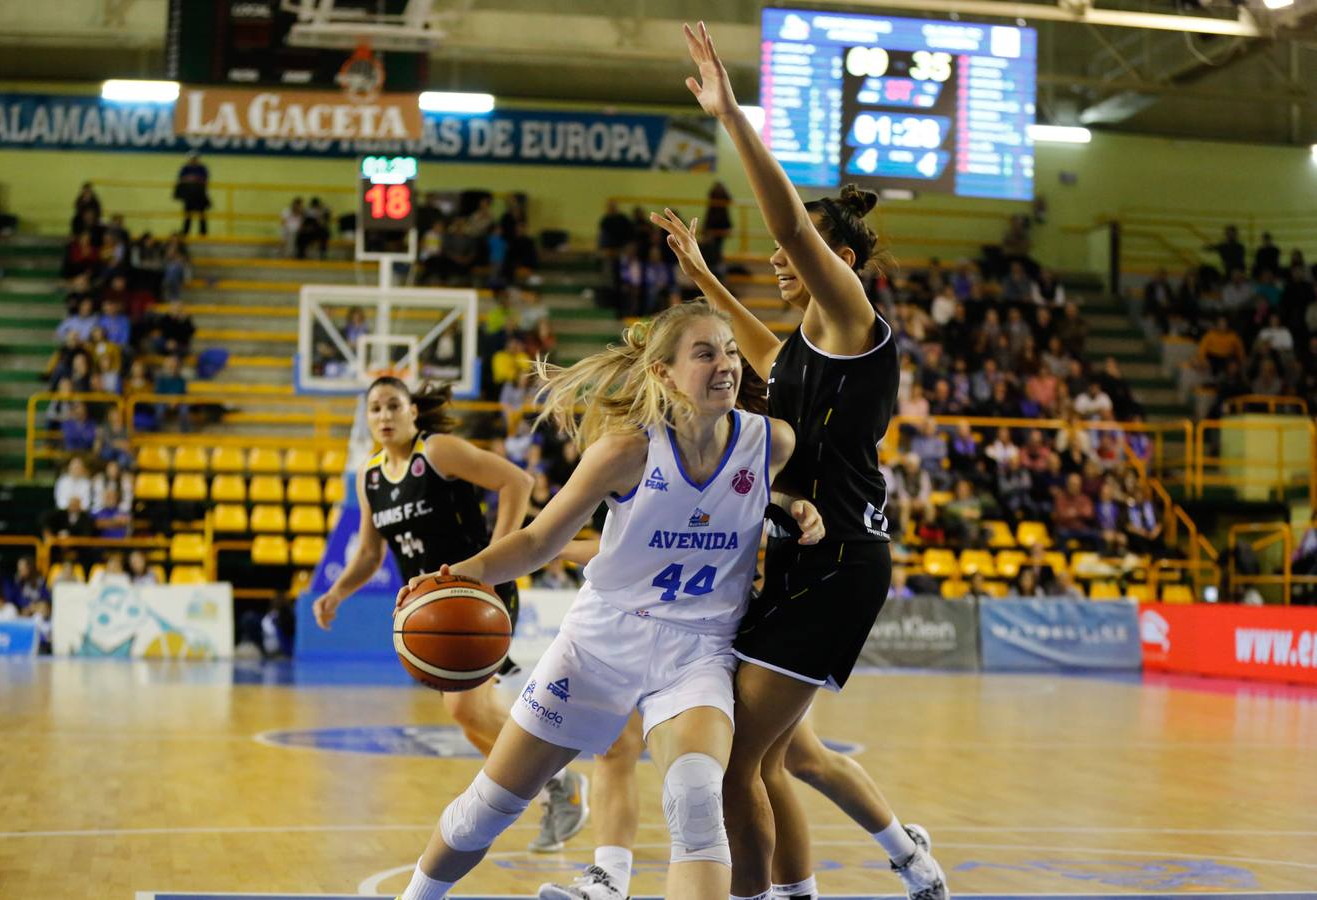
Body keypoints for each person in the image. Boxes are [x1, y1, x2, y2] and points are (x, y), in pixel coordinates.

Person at [644, 22, 948, 900]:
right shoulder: (804, 355)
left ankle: (773, 893)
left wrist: (733, 118)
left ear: (838, 262)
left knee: (739, 759)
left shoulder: (856, 323)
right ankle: (852, 874)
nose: (782, 256)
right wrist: (702, 274)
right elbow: (757, 348)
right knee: (782, 757)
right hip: (799, 556)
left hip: (842, 558)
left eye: (801, 251)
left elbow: (783, 218)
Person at [390, 301, 822, 900]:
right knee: (489, 805)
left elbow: (784, 492)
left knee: (698, 803)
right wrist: (457, 574)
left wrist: (797, 505)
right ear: (664, 374)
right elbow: (540, 539)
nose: (726, 364)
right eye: (705, 353)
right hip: (600, 642)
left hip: (699, 651)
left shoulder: (770, 442)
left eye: (729, 349)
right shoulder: (626, 451)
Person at [310, 377, 589, 850]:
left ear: (412, 412)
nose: (383, 416)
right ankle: (554, 787)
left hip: (477, 596)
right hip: (432, 611)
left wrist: (498, 557)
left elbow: (516, 481)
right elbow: (370, 555)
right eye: (375, 408)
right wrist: (336, 593)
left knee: (465, 707)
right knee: (470, 718)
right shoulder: (370, 476)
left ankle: (561, 783)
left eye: (393, 406)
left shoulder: (435, 452)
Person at [175, 154, 210, 236]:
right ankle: (185, 233)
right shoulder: (185, 168)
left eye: (195, 159)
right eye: (192, 159)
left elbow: (205, 179)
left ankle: (203, 233)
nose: (193, 160)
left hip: (200, 195)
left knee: (202, 215)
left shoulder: (202, 168)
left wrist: (191, 178)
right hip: (189, 196)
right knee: (187, 216)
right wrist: (194, 178)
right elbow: (181, 179)